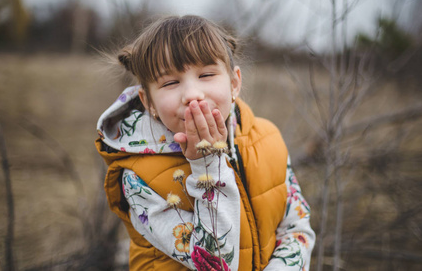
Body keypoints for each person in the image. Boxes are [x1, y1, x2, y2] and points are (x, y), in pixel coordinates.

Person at [95, 15, 315, 271]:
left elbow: (298, 230)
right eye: (170, 82)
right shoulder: (136, 177)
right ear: (148, 102)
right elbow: (216, 264)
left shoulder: (267, 138)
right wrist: (208, 164)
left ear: (234, 83)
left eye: (207, 74)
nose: (192, 95)